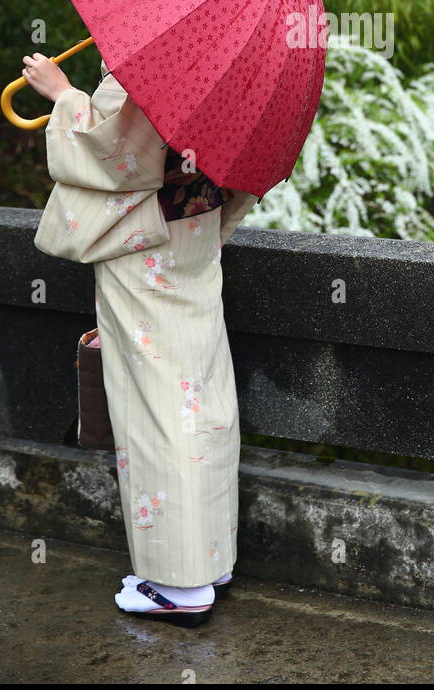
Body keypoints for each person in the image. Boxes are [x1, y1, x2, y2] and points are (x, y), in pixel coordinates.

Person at [22, 50, 258, 628]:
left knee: (157, 408)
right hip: (196, 235)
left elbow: (117, 157)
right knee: (202, 397)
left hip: (146, 243)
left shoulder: (154, 61)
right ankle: (209, 559)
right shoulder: (229, 65)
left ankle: (179, 586)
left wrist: (65, 95)